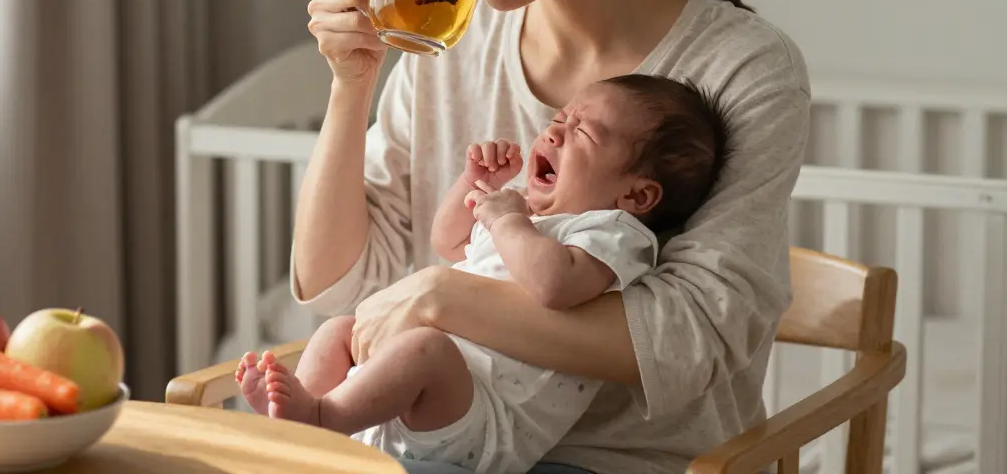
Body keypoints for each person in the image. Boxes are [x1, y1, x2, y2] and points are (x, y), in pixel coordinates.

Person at [291, 0, 811, 472]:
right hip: (435, 444)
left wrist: (443, 296)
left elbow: (690, 339)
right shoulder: (450, 34)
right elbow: (335, 286)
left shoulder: (742, 68)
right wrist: (350, 87)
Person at [240, 75, 732, 473]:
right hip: (430, 386)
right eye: (560, 119)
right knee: (340, 330)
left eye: (582, 133)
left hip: (485, 421)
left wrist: (507, 220)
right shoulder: (531, 219)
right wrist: (474, 188)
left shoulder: (612, 233)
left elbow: (554, 285)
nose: (555, 132)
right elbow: (450, 243)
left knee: (425, 349)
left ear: (637, 196)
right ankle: (301, 424)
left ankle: (323, 418)